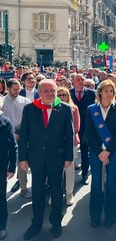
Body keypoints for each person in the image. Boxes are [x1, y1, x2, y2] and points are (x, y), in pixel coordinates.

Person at [19, 79, 74, 240]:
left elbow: (69, 135)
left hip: (56, 157)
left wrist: (69, 157)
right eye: (46, 91)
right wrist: (22, 157)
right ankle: (36, 223)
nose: (50, 94)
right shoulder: (30, 108)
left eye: (53, 90)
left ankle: (56, 222)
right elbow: (24, 135)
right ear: (39, 92)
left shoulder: (64, 109)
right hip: (36, 158)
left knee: (57, 192)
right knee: (37, 192)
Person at [85, 80, 116, 228]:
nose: (109, 94)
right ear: (100, 92)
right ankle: (94, 216)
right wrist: (100, 152)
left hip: (112, 151)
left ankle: (110, 216)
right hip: (96, 152)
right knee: (96, 183)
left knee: (112, 185)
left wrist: (108, 151)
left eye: (112, 91)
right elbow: (89, 133)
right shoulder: (91, 109)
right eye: (107, 90)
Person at [2, 79, 31, 198]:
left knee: (22, 161)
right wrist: (11, 133)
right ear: (8, 89)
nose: (17, 91)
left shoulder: (25, 101)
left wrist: (22, 133)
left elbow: (28, 120)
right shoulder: (2, 101)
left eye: (19, 88)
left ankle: (23, 187)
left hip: (22, 136)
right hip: (6, 138)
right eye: (15, 89)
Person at [70, 74, 96, 185]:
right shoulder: (68, 93)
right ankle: (67, 175)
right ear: (73, 81)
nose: (80, 82)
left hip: (86, 127)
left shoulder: (91, 93)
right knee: (70, 151)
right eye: (78, 80)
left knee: (85, 151)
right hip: (72, 126)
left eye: (82, 79)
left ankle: (85, 173)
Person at [57, 87, 80, 206]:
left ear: (68, 96)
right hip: (56, 144)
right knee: (56, 169)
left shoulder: (74, 109)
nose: (61, 97)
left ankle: (69, 193)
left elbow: (76, 128)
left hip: (71, 142)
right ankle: (55, 193)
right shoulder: (53, 108)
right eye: (59, 95)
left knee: (69, 169)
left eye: (64, 95)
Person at [0, 95, 17, 240]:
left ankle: (1, 226)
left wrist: (12, 167)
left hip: (0, 165)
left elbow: (12, 146)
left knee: (0, 197)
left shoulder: (5, 122)